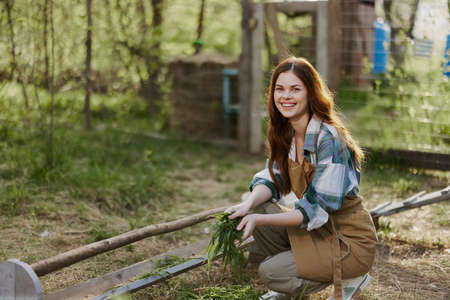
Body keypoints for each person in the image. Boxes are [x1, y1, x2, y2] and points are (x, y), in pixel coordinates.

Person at [225, 57, 378, 300]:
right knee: (260, 206)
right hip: (318, 230)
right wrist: (248, 206)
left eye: (295, 89)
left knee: (271, 272)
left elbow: (312, 211)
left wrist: (257, 220)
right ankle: (299, 272)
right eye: (280, 89)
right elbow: (273, 178)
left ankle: (349, 277)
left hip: (347, 241)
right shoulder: (286, 132)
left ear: (311, 93)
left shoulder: (329, 140)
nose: (286, 96)